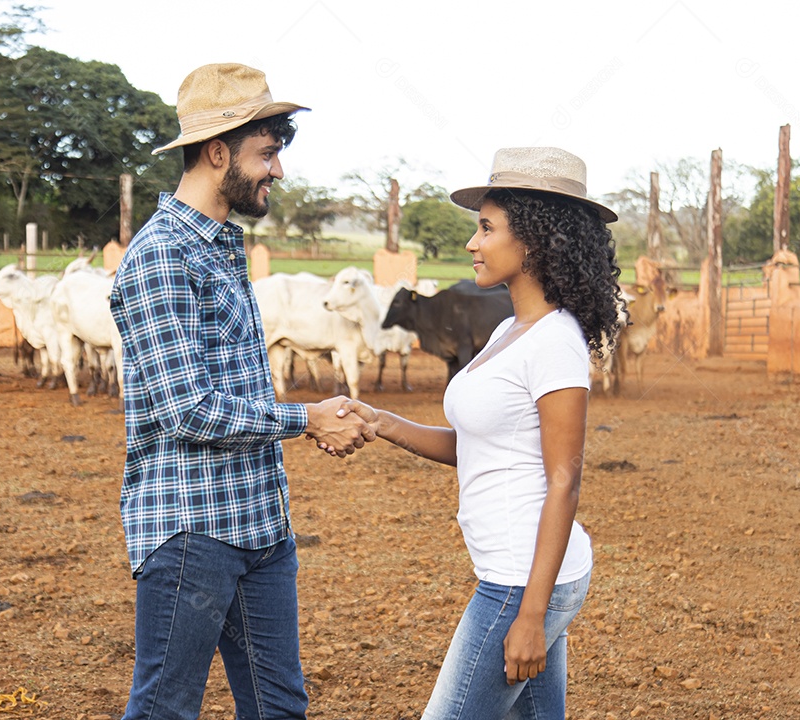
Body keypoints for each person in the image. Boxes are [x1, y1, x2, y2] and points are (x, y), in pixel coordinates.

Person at [108, 63, 374, 720]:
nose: (277, 171)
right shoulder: (163, 255)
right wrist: (307, 418)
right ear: (219, 151)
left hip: (259, 522)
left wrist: (307, 420)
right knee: (165, 709)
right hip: (192, 532)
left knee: (279, 708)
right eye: (267, 153)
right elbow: (185, 409)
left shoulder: (223, 247)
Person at [338, 147, 623, 719]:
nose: (472, 243)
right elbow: (479, 447)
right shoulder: (508, 330)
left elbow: (565, 479)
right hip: (527, 572)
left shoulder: (555, 342)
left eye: (487, 228)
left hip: (521, 582)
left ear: (536, 241)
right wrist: (384, 422)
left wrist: (533, 614)